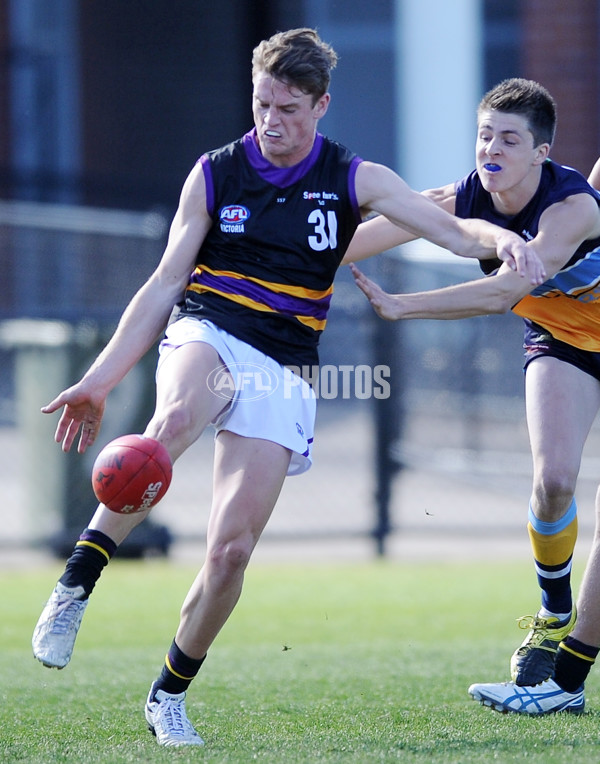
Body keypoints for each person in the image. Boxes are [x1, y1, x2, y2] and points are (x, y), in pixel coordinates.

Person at [31, 30, 537, 748]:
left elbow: (451, 231)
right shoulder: (214, 174)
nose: (271, 120)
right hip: (208, 328)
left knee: (231, 552)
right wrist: (100, 378)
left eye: (289, 108)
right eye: (262, 102)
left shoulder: (354, 178)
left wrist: (502, 239)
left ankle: (168, 693)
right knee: (171, 421)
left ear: (322, 105)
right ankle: (76, 585)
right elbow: (164, 285)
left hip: (285, 362)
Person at [346, 77, 600, 715]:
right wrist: (272, 262)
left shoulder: (572, 209)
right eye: (485, 135)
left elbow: (498, 294)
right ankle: (552, 612)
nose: (491, 149)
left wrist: (404, 306)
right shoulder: (462, 197)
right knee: (553, 484)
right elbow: (361, 239)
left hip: (552, 318)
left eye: (509, 139)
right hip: (564, 337)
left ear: (541, 153)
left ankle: (565, 682)